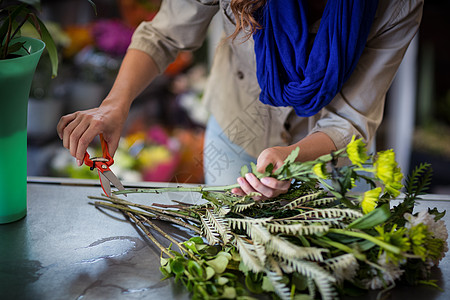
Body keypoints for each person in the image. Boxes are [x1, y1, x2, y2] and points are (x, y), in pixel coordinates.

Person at [57, 0, 424, 200]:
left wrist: (290, 156)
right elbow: (166, 34)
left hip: (332, 153)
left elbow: (349, 121)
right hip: (237, 131)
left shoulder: (396, 5)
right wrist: (115, 104)